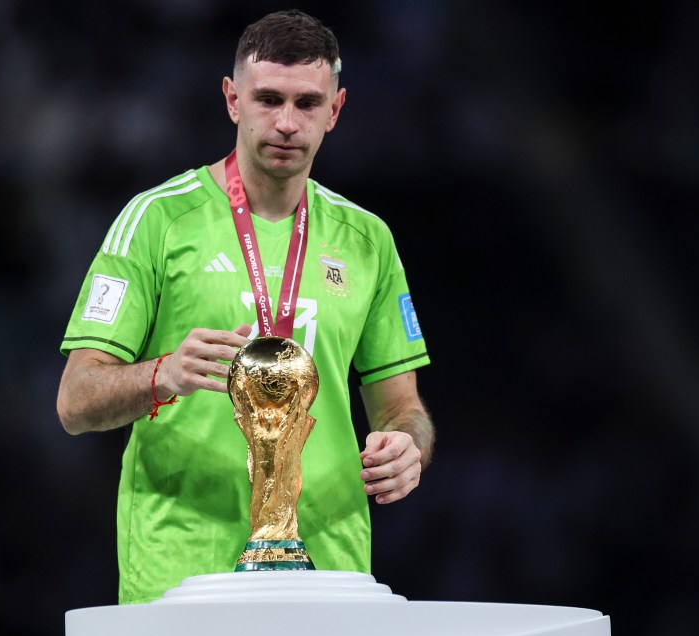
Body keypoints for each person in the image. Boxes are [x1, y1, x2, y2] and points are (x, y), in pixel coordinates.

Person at [57, 9, 434, 604]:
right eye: (268, 99)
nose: (286, 122)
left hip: (328, 570)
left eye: (307, 103)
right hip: (181, 571)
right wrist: (163, 374)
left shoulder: (367, 241)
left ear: (335, 111)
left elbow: (402, 409)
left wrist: (407, 446)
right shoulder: (156, 222)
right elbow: (75, 401)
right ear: (233, 100)